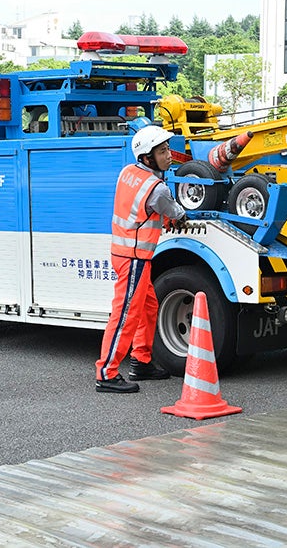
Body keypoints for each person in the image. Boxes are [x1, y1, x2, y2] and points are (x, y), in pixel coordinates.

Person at [95, 124, 187, 393]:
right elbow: (174, 212)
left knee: (148, 306)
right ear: (147, 157)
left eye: (168, 149)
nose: (169, 155)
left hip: (124, 254)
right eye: (162, 151)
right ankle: (107, 373)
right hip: (134, 258)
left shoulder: (128, 172)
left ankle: (141, 361)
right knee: (125, 315)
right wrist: (180, 217)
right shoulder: (157, 189)